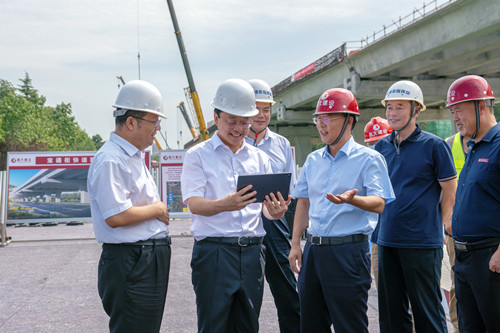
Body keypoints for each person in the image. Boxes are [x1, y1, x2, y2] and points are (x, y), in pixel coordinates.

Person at [180, 78, 291, 333]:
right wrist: (225, 204)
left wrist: (275, 212)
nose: (239, 128)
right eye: (232, 120)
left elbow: (264, 208)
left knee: (248, 325)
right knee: (214, 325)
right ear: (216, 117)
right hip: (215, 253)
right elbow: (194, 204)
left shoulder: (260, 158)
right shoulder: (198, 156)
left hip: (253, 254)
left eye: (244, 121)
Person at [289, 88, 395, 333]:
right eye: (318, 119)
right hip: (314, 251)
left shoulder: (369, 159)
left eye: (328, 118)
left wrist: (352, 200)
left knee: (350, 325)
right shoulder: (313, 160)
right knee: (311, 324)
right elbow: (303, 202)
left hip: (348, 252)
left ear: (349, 120)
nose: (321, 125)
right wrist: (296, 243)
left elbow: (379, 203)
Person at [87, 80, 171, 333]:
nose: (157, 129)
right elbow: (116, 215)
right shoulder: (111, 159)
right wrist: (158, 210)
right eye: (154, 122)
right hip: (132, 259)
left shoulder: (132, 155)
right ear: (132, 122)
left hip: (145, 256)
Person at [375, 80, 457, 333]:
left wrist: (439, 225)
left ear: (416, 110)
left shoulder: (434, 146)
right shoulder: (381, 147)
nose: (393, 114)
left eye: (400, 107)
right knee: (391, 313)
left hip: (421, 243)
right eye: (389, 108)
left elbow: (449, 190)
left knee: (427, 312)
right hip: (386, 240)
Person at [244, 79, 300, 333]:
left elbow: (291, 190)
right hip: (242, 225)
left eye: (266, 109)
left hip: (276, 222)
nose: (261, 115)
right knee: (244, 297)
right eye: (256, 108)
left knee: (288, 291)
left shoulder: (280, 144)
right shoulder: (233, 142)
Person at [447, 75, 500, 332]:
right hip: (465, 260)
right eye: (452, 112)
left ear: (481, 106)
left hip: (491, 259)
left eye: (459, 110)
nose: (455, 118)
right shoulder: (474, 147)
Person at [444, 130, 470, 333]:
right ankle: (459, 327)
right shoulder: (449, 144)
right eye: (453, 111)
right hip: (456, 229)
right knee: (458, 283)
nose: (457, 116)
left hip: (489, 229)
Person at [363, 116, 393, 288]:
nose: (377, 149)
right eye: (372, 144)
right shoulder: (367, 166)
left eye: (380, 143)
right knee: (385, 293)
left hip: (402, 237)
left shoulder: (399, 162)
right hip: (377, 236)